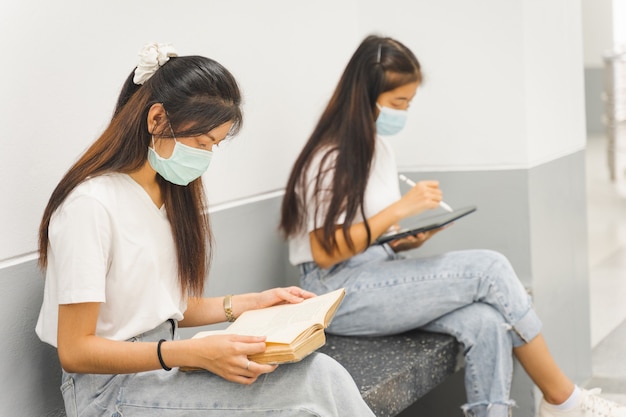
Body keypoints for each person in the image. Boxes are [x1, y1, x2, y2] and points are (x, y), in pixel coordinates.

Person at [279, 34, 626, 417]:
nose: (404, 112)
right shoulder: (329, 157)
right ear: (365, 97)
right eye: (397, 103)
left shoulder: (378, 148)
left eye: (408, 103)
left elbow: (364, 235)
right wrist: (401, 210)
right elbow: (326, 251)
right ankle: (562, 399)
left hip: (374, 271)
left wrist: (402, 241)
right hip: (332, 293)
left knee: (486, 320)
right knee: (490, 268)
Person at [35, 42, 375, 417]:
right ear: (156, 120)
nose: (205, 157)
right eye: (201, 143)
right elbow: (76, 350)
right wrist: (190, 352)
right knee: (316, 384)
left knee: (315, 377)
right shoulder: (91, 206)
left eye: (213, 146)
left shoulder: (165, 195)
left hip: (159, 368)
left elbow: (164, 307)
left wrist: (252, 303)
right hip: (109, 392)